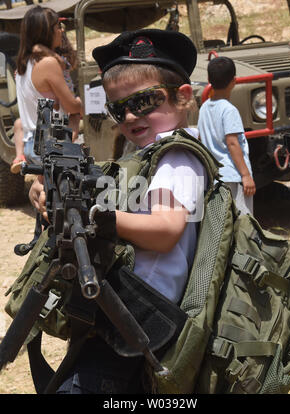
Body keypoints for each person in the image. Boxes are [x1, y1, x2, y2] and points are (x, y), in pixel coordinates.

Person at [29, 28, 207, 394]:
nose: (129, 116)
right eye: (118, 108)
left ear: (183, 97)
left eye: (143, 102)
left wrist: (95, 213)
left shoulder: (176, 157)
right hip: (125, 318)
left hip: (137, 319)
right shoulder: (147, 154)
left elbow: (165, 229)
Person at [10, 6, 82, 172]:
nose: (61, 31)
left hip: (33, 145)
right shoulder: (48, 63)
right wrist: (81, 106)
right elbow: (71, 105)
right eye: (58, 26)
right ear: (46, 31)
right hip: (51, 145)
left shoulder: (23, 65)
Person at [197, 56, 256, 215]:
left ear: (209, 79)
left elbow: (201, 139)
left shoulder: (204, 108)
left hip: (215, 176)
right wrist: (245, 175)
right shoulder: (229, 110)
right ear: (234, 81)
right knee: (244, 222)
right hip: (233, 176)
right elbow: (232, 143)